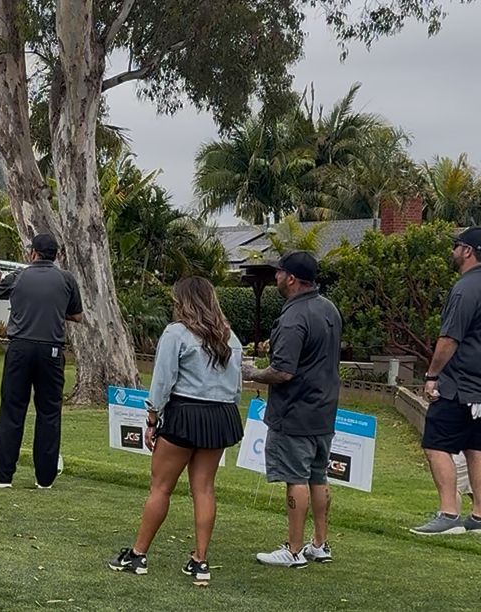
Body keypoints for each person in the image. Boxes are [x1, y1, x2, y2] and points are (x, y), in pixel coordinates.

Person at [109, 277, 244, 587]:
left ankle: (138, 555)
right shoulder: (230, 337)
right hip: (221, 415)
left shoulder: (176, 333)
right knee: (204, 489)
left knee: (161, 487)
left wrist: (152, 418)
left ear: (183, 302)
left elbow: (162, 380)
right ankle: (200, 561)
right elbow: (236, 387)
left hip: (184, 414)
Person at [243, 251, 342, 569]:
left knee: (295, 477)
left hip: (296, 410)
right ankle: (320, 544)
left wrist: (253, 373)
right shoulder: (329, 309)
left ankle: (294, 550)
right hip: (324, 409)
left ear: (292, 279)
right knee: (318, 475)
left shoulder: (293, 316)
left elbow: (283, 371)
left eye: (280, 272)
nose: (276, 277)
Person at [411, 226, 481, 536]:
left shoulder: (466, 288)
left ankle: (449, 514)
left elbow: (449, 339)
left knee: (435, 444)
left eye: (456, 245)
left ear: (468, 251)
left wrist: (432, 375)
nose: (453, 251)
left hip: (463, 387)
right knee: (476, 448)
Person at [0, 233, 83, 489]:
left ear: (33, 253)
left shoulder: (19, 277)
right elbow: (77, 315)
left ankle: (3, 476)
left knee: (12, 409)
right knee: (49, 412)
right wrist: (54, 310)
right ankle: (44, 479)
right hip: (52, 352)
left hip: (20, 350)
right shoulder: (66, 279)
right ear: (56, 255)